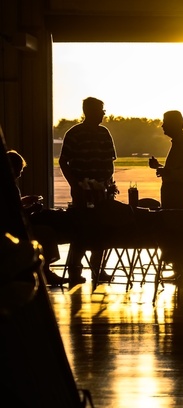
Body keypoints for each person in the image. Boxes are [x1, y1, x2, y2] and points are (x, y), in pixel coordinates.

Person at [58, 96, 116, 285]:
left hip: (101, 190)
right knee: (81, 229)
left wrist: (107, 181)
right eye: (100, 111)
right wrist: (74, 184)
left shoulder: (104, 133)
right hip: (82, 190)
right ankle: (76, 269)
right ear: (89, 111)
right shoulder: (74, 133)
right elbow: (63, 161)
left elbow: (110, 160)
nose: (103, 114)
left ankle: (97, 270)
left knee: (101, 228)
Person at [7, 150, 66, 286]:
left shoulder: (9, 186)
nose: (20, 174)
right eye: (19, 170)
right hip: (14, 229)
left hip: (11, 225)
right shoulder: (10, 187)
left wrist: (24, 200)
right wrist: (32, 209)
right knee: (46, 232)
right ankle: (45, 270)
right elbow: (15, 214)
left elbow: (14, 206)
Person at [150, 110, 183, 210]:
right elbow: (173, 170)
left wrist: (169, 172)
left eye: (165, 122)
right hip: (170, 194)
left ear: (173, 123)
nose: (162, 126)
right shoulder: (178, 143)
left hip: (178, 195)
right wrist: (159, 166)